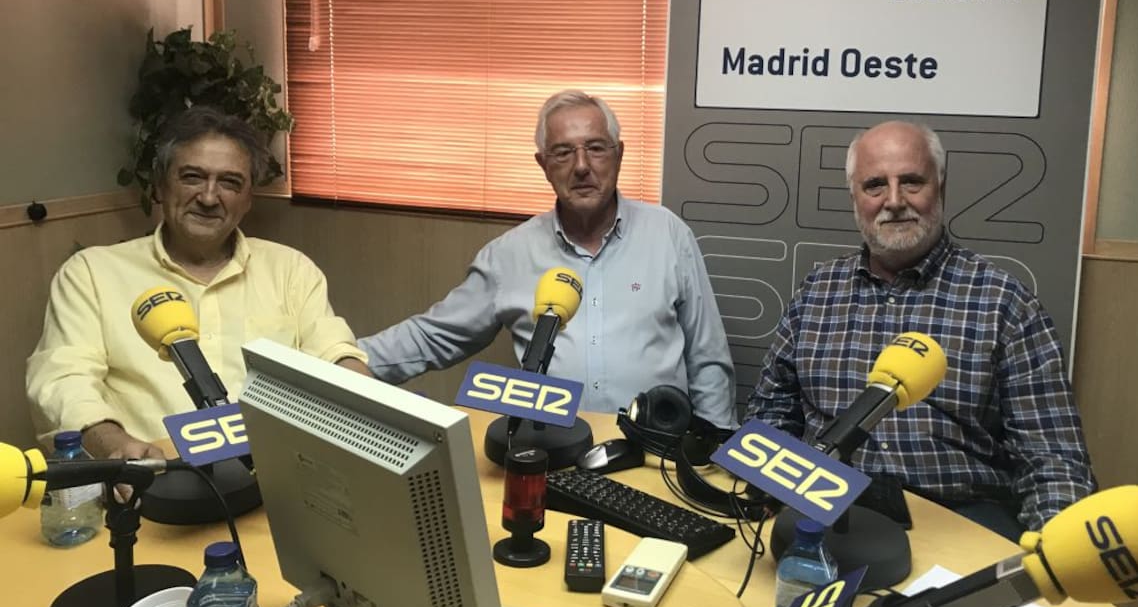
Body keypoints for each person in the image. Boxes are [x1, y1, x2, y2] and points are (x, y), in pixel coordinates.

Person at [746, 120, 1096, 538]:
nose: (894, 201)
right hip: (827, 509)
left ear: (941, 188)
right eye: (875, 185)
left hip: (960, 519)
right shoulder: (816, 293)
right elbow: (770, 414)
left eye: (912, 182)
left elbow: (1054, 459)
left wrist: (1055, 550)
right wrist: (771, 491)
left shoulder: (1004, 303)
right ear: (854, 197)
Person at [354, 90, 737, 428]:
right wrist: (339, 358)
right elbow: (434, 335)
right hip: (554, 454)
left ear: (618, 155)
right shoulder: (509, 255)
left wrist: (711, 453)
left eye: (596, 148)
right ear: (543, 165)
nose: (582, 166)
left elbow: (708, 359)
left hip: (655, 455)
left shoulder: (668, 235)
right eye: (563, 152)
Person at [27, 106, 367, 460]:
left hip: (277, 471)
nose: (208, 197)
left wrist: (368, 402)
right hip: (153, 476)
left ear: (248, 199)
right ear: (160, 185)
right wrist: (115, 446)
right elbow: (63, 381)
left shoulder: (291, 269)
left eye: (230, 183)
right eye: (192, 177)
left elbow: (335, 354)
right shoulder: (91, 274)